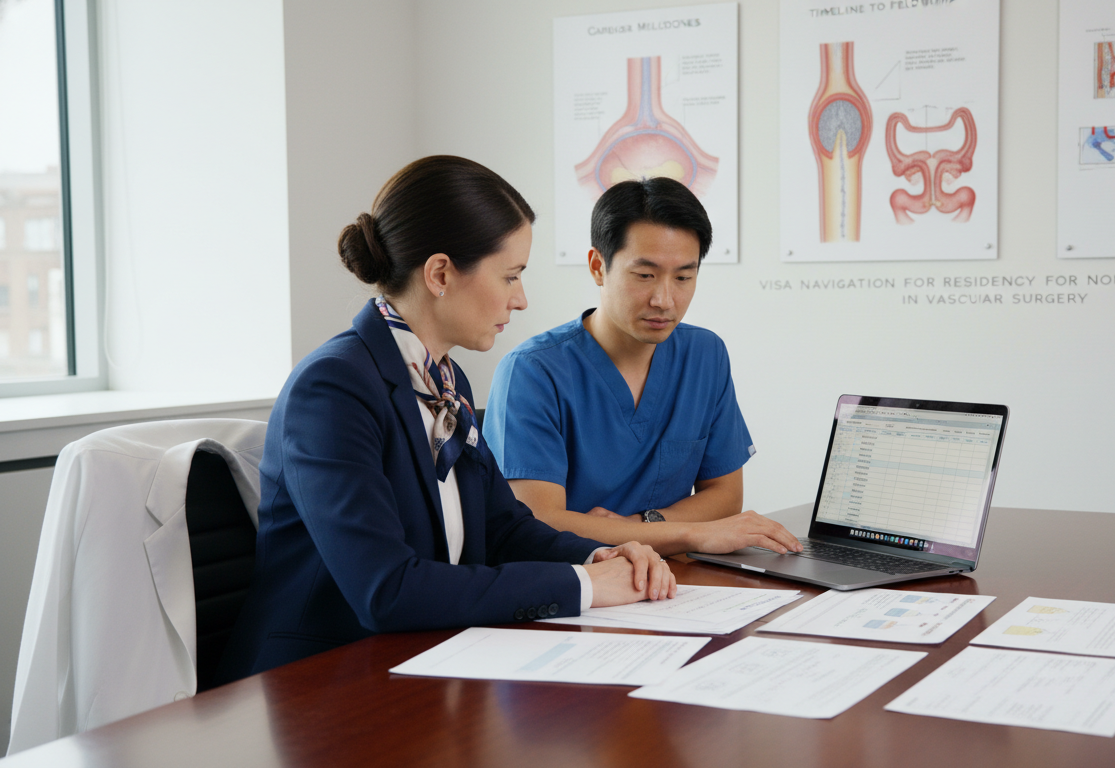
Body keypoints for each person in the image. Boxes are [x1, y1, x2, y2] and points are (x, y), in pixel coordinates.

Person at [218, 157, 673, 684]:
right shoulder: (332, 390)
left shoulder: (444, 380)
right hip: (315, 683)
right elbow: (385, 590)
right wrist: (587, 587)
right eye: (510, 276)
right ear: (439, 274)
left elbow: (502, 526)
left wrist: (601, 554)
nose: (521, 299)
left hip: (429, 660)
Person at [482, 178, 800, 557]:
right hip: (572, 583)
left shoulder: (705, 355)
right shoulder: (532, 373)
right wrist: (688, 534)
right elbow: (539, 521)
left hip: (674, 582)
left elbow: (725, 497)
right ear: (599, 267)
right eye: (645, 275)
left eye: (684, 277)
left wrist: (638, 526)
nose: (665, 299)